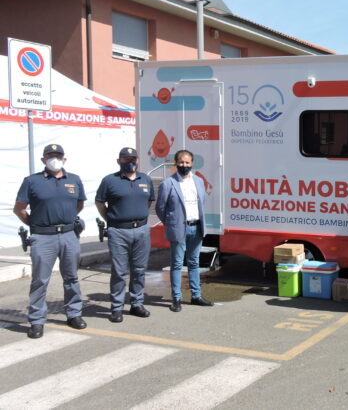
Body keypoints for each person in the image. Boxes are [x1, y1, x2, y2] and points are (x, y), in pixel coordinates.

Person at [13, 144, 87, 339]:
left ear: (64, 159)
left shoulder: (74, 180)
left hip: (69, 235)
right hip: (43, 237)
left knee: (71, 277)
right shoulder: (32, 181)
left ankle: (74, 314)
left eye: (58, 155)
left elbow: (79, 204)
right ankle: (37, 320)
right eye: (50, 155)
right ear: (43, 159)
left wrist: (65, 219)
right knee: (40, 280)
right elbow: (19, 208)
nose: (54, 158)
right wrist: (36, 225)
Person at [95, 147, 154, 323]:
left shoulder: (146, 179)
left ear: (138, 160)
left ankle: (137, 304)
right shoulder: (109, 181)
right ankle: (117, 307)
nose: (130, 162)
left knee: (139, 270)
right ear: (119, 161)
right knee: (119, 272)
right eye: (126, 159)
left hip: (141, 230)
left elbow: (149, 201)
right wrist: (112, 220)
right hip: (118, 231)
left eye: (133, 159)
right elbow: (99, 203)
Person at [155, 150, 214, 312]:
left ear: (192, 163)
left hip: (196, 227)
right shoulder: (168, 183)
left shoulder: (198, 182)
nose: (184, 165)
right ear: (176, 163)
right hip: (179, 228)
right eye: (181, 162)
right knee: (177, 264)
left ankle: (196, 296)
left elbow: (202, 202)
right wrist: (171, 223)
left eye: (187, 163)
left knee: (194, 263)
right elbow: (160, 208)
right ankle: (176, 298)